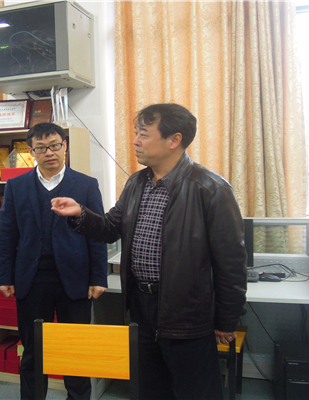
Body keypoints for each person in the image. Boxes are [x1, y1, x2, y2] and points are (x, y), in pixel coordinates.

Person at [51, 103, 247, 400]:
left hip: (186, 312)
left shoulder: (210, 188)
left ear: (174, 140)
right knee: (148, 388)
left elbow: (230, 263)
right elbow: (110, 228)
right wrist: (81, 213)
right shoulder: (136, 183)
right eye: (136, 133)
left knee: (196, 391)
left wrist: (226, 320)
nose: (135, 141)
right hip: (141, 307)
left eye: (143, 134)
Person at [0, 122, 108, 400]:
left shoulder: (85, 184)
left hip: (75, 279)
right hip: (32, 280)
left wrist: (98, 277)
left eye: (55, 145)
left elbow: (96, 234)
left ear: (65, 146)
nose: (50, 152)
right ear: (32, 151)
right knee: (33, 349)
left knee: (75, 349)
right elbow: (8, 234)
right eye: (42, 148)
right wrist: (4, 276)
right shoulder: (16, 186)